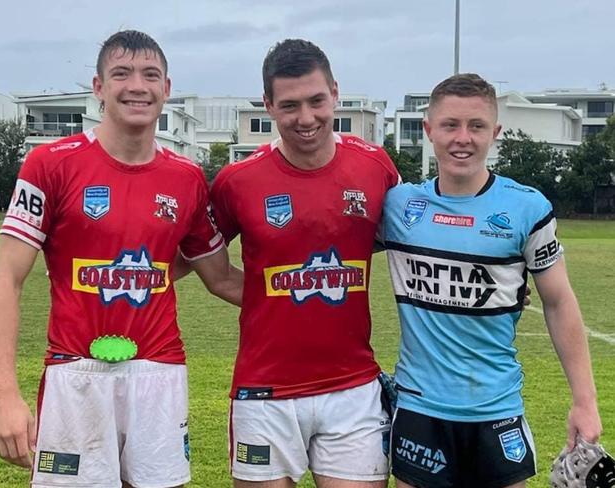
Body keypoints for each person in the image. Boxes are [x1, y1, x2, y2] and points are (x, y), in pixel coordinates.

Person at [0, 30, 242, 488]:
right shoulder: (49, 164)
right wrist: (3, 393)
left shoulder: (186, 178)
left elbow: (219, 278)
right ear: (99, 87)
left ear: (167, 87)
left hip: (159, 371)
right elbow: (7, 279)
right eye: (121, 74)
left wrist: (305, 293)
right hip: (74, 371)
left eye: (150, 75)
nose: (137, 86)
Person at [381, 73, 602, 488]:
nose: (462, 138)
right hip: (420, 409)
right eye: (450, 125)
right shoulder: (397, 206)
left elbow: (558, 302)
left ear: (494, 133)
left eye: (476, 126)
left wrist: (585, 402)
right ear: (429, 131)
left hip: (496, 408)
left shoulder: (526, 208)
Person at [210, 39, 400, 487]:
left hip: (353, 388)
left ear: (335, 92)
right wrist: (268, 300)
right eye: (290, 105)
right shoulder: (238, 181)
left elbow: (411, 238)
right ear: (268, 105)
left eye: (317, 101)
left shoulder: (375, 166)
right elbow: (200, 261)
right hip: (264, 392)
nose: (306, 118)